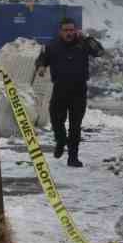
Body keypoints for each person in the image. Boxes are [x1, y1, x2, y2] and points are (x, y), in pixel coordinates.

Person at [33, 17, 102, 168]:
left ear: (76, 30)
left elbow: (99, 52)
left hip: (79, 90)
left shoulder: (83, 44)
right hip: (60, 89)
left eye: (72, 30)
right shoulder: (53, 46)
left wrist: (88, 38)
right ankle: (60, 140)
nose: (69, 33)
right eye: (66, 30)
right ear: (60, 32)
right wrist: (41, 67)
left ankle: (73, 157)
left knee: (75, 126)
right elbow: (41, 59)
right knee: (56, 120)